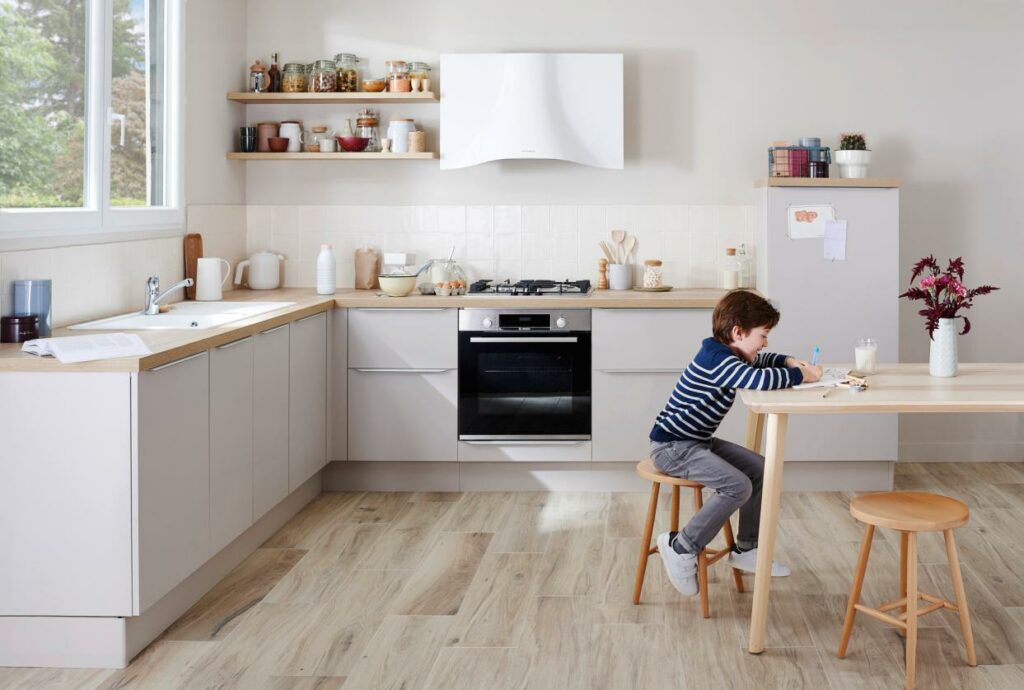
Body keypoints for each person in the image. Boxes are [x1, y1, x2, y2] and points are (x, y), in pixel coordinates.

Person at [649, 289, 821, 596]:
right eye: (763, 335)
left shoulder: (730, 353)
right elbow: (758, 379)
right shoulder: (717, 360)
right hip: (673, 447)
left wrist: (790, 361)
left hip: (696, 442)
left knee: (760, 469)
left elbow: (762, 362)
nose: (766, 342)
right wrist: (798, 376)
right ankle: (681, 546)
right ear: (738, 332)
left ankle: (746, 550)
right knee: (737, 485)